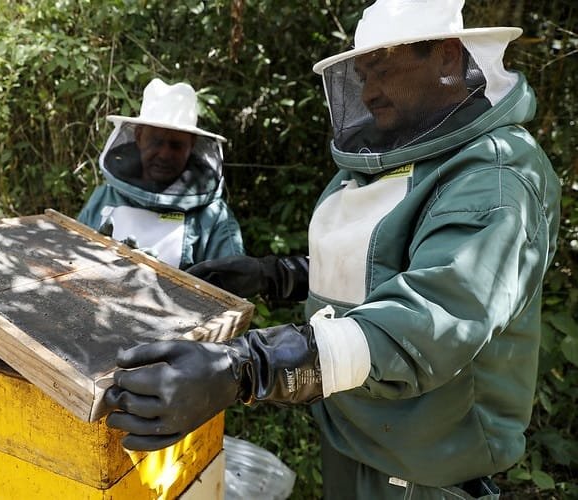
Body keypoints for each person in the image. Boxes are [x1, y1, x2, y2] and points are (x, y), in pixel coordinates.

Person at [102, 0, 561, 498]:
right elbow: (378, 266)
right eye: (362, 76)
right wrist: (277, 275)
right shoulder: (400, 158)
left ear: (448, 57)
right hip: (354, 434)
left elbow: (429, 321)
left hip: (423, 467)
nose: (368, 92)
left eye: (382, 70)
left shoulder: (494, 178)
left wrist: (247, 367)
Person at [77, 78, 244, 269]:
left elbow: (230, 285)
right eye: (156, 142)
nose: (164, 154)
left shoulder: (214, 217)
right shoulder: (104, 197)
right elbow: (71, 263)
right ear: (139, 136)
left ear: (192, 144)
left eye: (176, 145)